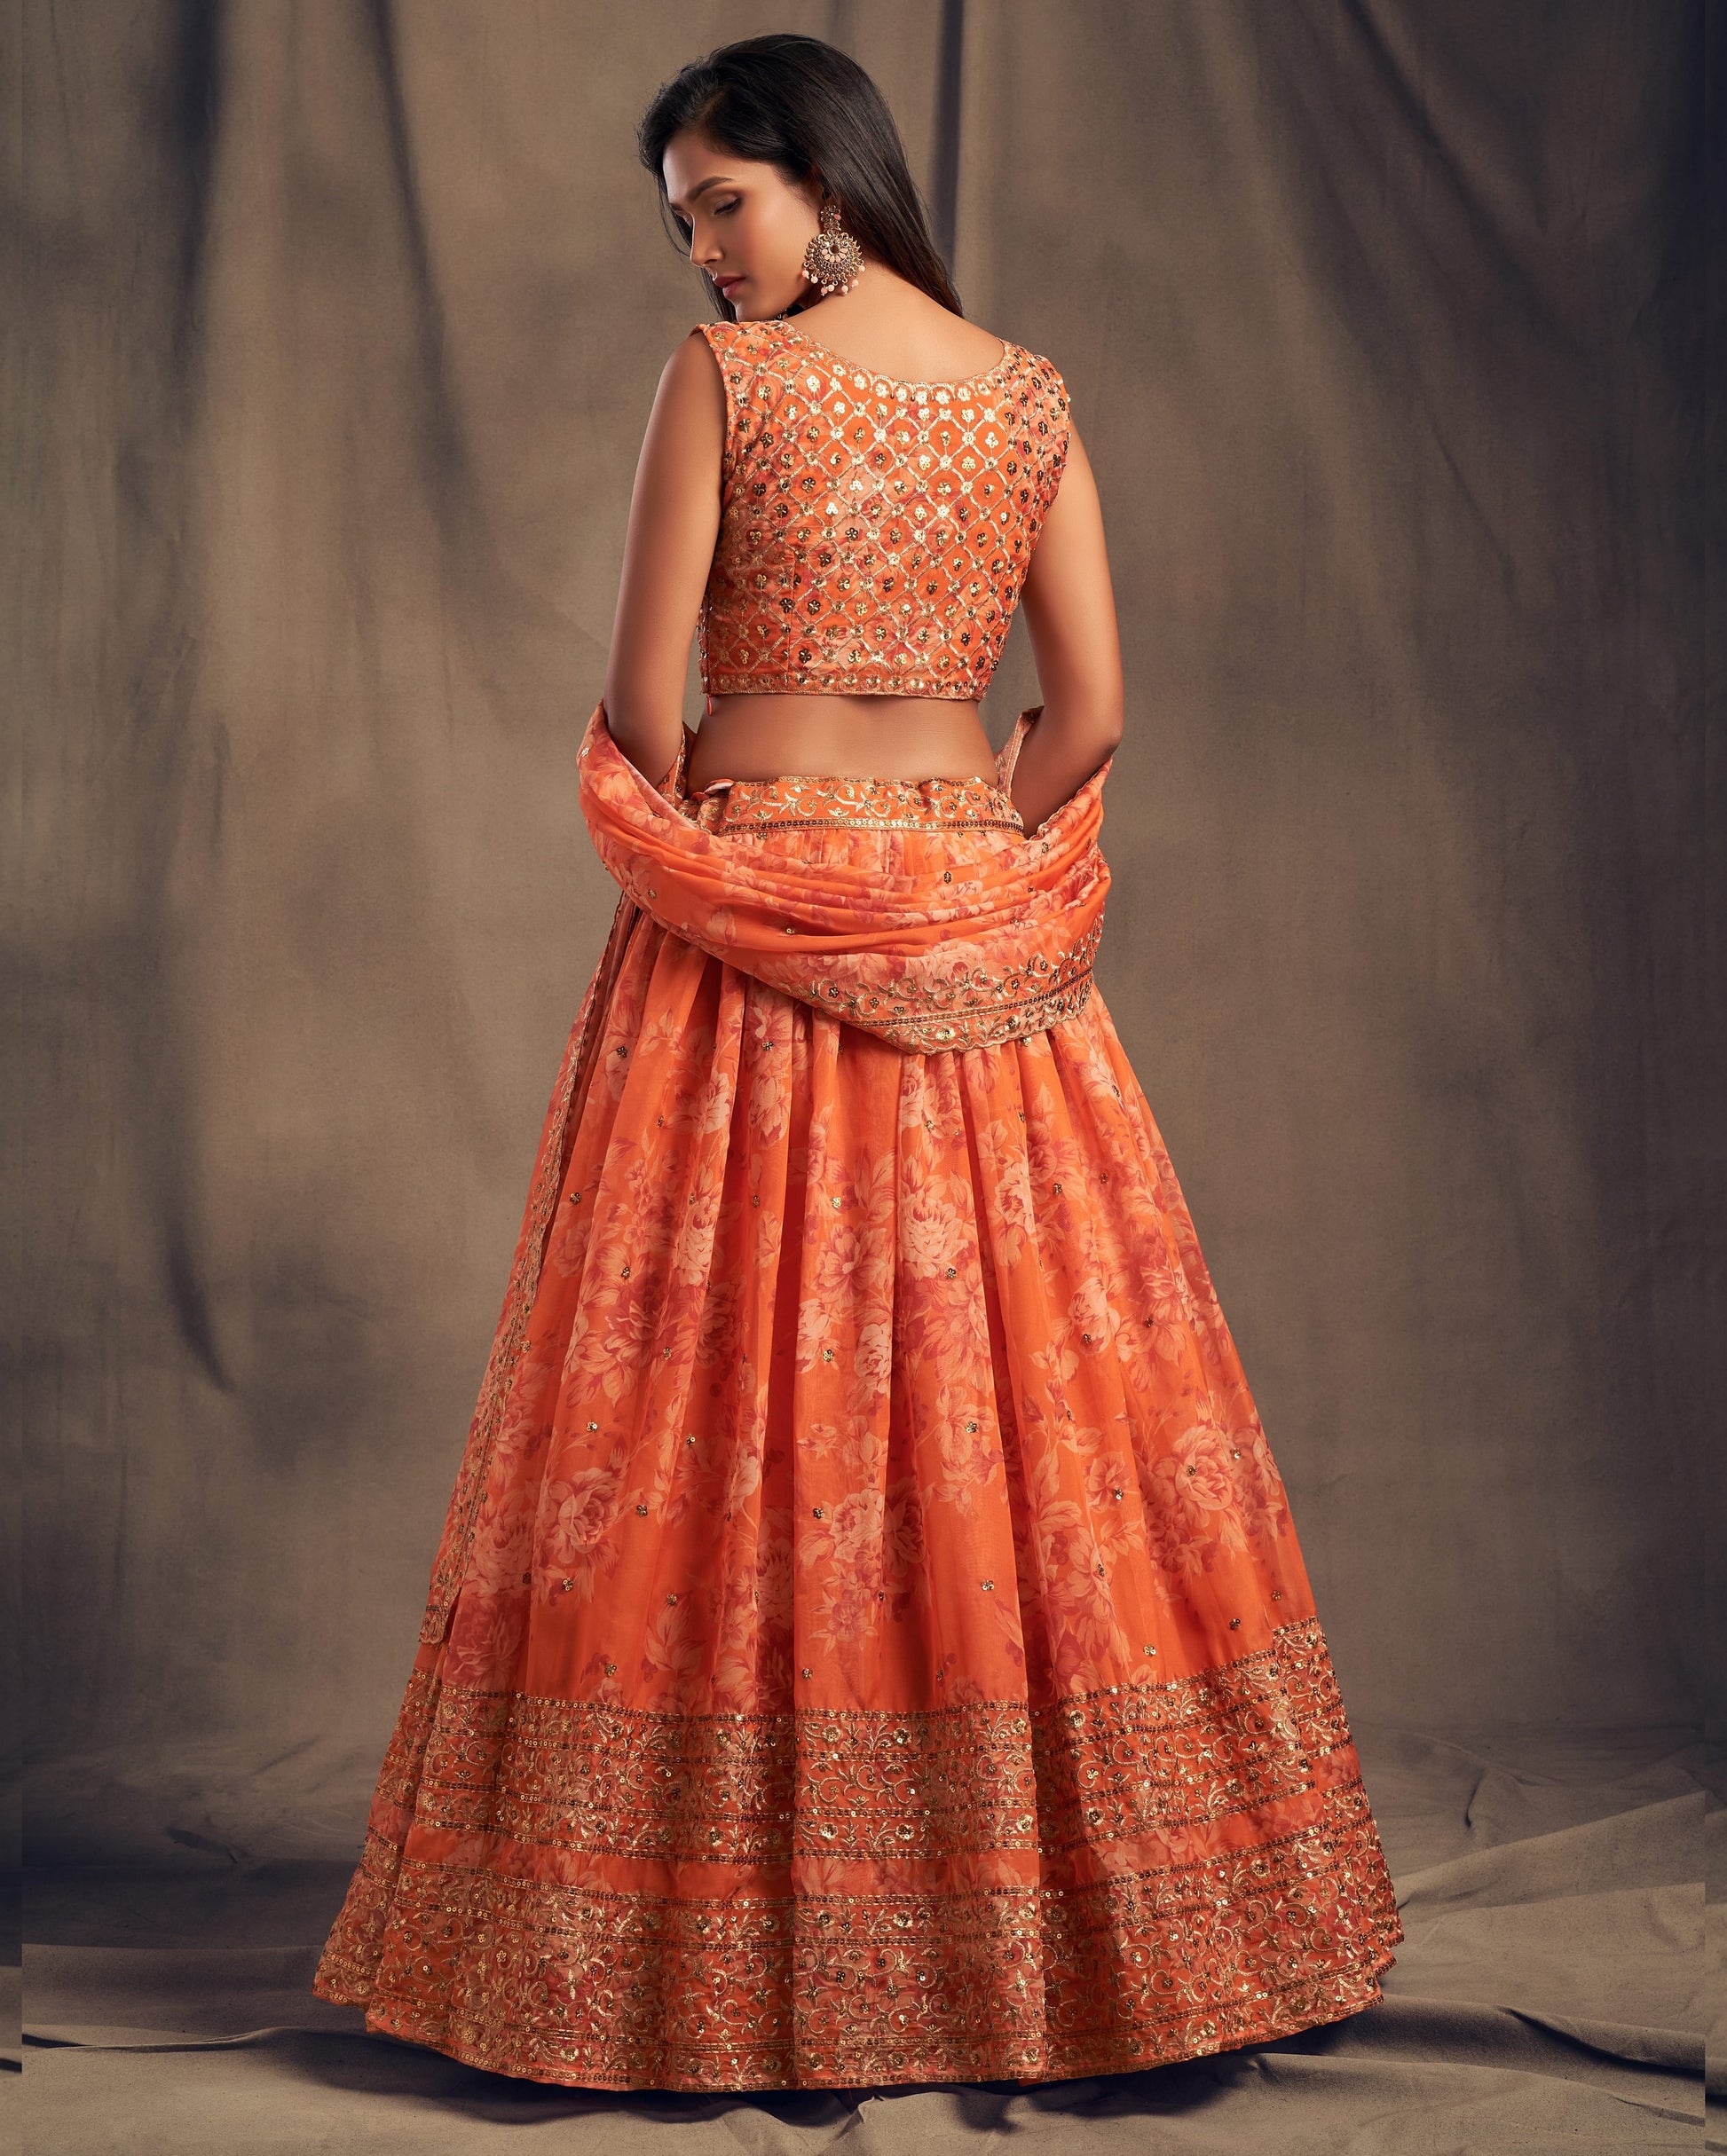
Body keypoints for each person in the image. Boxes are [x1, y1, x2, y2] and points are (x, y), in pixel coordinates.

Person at [313, 30, 1401, 2093]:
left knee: (718, 1417)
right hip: (989, 942)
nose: (704, 256)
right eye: (684, 223)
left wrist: (750, 846)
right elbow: (1086, 715)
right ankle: (1072, 1951)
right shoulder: (1027, 398)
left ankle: (702, 1964)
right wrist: (960, 854)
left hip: (741, 943)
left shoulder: (727, 387)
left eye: (723, 201)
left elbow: (644, 703)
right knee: (1018, 1417)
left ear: (827, 175)